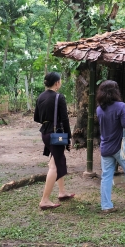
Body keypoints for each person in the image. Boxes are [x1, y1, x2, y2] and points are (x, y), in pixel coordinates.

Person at [96, 80, 125, 213]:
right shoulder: (120, 106)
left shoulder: (99, 108)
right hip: (119, 146)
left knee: (106, 177)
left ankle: (106, 205)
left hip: (105, 147)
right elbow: (124, 124)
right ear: (115, 91)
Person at [34, 72, 75, 211]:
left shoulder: (40, 97)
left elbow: (37, 118)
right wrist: (68, 137)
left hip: (45, 133)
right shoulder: (59, 97)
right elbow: (65, 119)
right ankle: (44, 200)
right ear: (57, 83)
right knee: (55, 166)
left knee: (56, 159)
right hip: (56, 134)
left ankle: (62, 192)